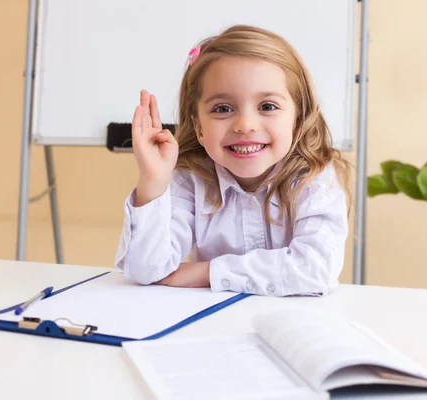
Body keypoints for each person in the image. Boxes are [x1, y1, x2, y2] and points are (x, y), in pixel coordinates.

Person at [115, 25, 352, 297]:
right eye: (223, 109)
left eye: (268, 106)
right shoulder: (189, 180)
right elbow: (146, 270)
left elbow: (316, 269)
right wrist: (153, 181)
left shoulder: (314, 180)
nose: (245, 125)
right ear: (199, 129)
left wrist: (206, 272)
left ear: (297, 121)